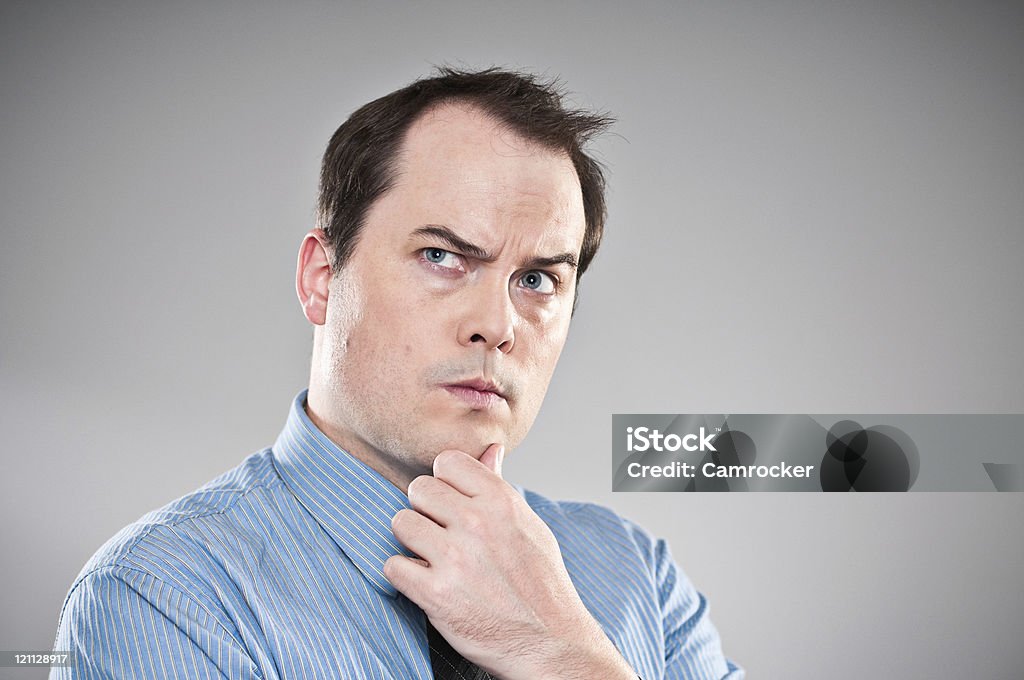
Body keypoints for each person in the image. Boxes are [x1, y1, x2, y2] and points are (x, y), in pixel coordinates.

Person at [52, 68, 744, 679]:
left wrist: (562, 657)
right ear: (322, 279)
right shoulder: (163, 595)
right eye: (442, 257)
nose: (497, 326)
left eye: (536, 278)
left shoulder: (635, 576)